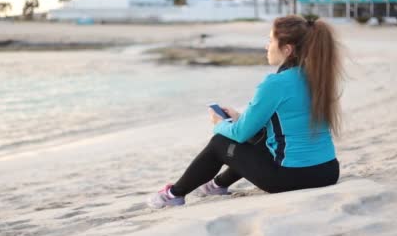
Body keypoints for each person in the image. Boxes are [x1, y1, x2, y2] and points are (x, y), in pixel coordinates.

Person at [147, 15, 343, 209]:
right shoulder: (317, 78)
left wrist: (220, 124)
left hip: (291, 177)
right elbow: (285, 125)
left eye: (270, 40)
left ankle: (174, 194)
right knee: (262, 139)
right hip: (328, 172)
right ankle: (217, 185)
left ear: (287, 49)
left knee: (220, 143)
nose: (267, 46)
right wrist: (239, 118)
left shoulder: (275, 83)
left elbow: (240, 134)